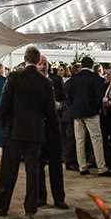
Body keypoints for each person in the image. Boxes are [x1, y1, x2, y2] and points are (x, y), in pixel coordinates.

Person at [0, 46, 59, 217]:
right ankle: (30, 207)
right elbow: (50, 112)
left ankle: (2, 206)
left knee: (8, 172)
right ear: (38, 60)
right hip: (35, 132)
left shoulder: (14, 77)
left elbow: (4, 104)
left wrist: (3, 126)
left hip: (14, 131)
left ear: (24, 58)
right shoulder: (46, 83)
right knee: (33, 172)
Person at [65, 56, 111, 177]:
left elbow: (68, 93)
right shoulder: (95, 78)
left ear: (81, 65)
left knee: (79, 140)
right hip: (91, 111)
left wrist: (74, 106)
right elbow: (98, 95)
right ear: (92, 65)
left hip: (77, 112)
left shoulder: (74, 78)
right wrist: (98, 108)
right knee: (96, 139)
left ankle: (82, 167)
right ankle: (101, 168)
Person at [37, 55, 68, 209]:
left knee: (56, 165)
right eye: (40, 64)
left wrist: (60, 105)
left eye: (45, 64)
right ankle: (40, 197)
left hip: (54, 129)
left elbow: (66, 101)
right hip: (37, 130)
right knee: (38, 166)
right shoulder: (31, 82)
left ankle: (59, 198)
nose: (42, 67)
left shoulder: (57, 81)